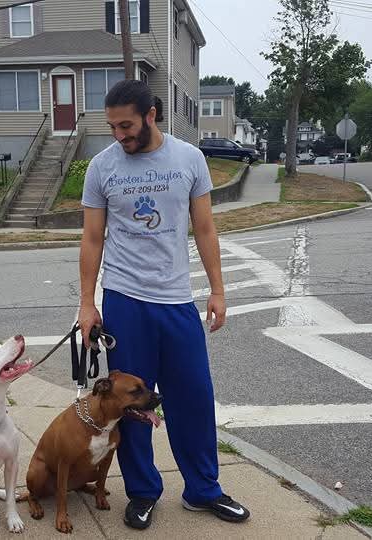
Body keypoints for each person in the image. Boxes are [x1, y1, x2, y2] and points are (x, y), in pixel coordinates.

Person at [78, 79, 251, 530]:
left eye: (127, 125)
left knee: (194, 397)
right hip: (124, 300)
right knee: (133, 405)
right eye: (112, 127)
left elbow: (206, 229)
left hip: (176, 300)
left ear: (151, 114)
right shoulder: (101, 167)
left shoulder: (188, 158)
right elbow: (93, 238)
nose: (119, 135)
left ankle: (203, 490)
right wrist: (86, 304)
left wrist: (217, 290)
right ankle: (142, 492)